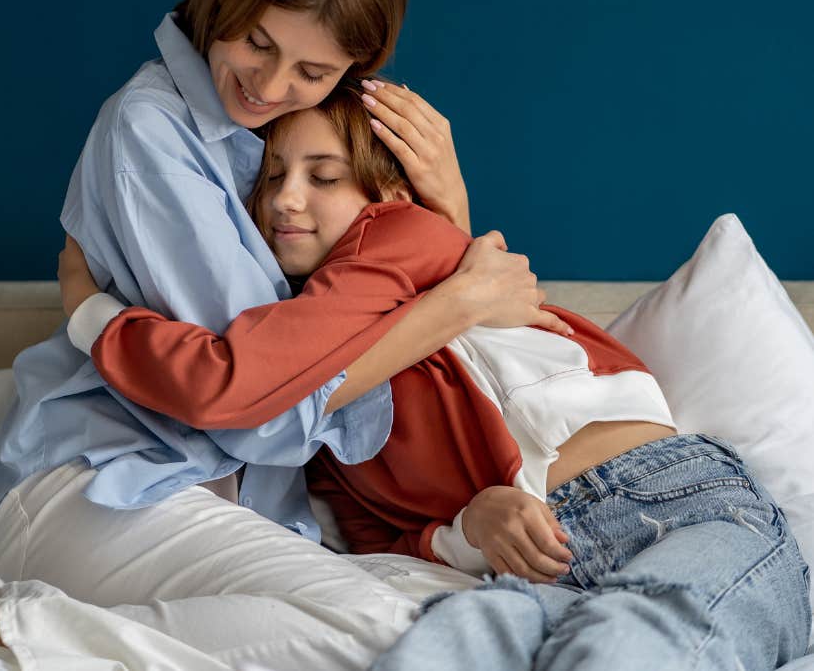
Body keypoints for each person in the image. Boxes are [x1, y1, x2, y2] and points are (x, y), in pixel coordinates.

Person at [0, 0, 551, 667]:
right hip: (106, 483)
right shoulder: (153, 131)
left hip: (231, 509)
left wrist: (447, 215)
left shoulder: (281, 147)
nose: (271, 86)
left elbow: (350, 314)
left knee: (490, 621)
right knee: (407, 636)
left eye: (313, 70)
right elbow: (250, 405)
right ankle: (11, 626)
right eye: (256, 42)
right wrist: (456, 302)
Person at [56, 88, 811, 670]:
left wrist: (93, 314)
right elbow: (382, 541)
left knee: (630, 642)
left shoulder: (397, 234)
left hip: (678, 508)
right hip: (533, 568)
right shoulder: (319, 423)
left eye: (324, 176)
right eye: (272, 177)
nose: (286, 199)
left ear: (384, 196)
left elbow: (233, 379)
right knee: (444, 645)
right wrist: (468, 529)